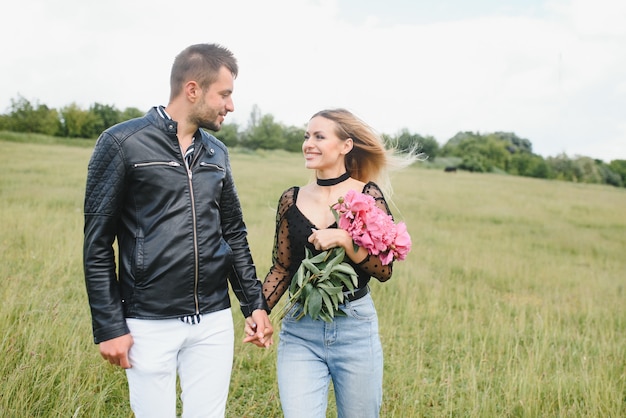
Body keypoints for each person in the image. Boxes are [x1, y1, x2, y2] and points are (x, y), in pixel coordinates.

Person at [83, 43, 273, 418]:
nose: (230, 106)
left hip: (214, 321)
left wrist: (254, 304)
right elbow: (98, 243)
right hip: (148, 321)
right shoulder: (122, 143)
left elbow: (232, 231)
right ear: (192, 90)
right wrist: (108, 326)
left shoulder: (217, 153)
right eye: (225, 94)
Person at [245, 108, 417, 417]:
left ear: (345, 146)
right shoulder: (291, 198)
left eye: (319, 136)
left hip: (354, 328)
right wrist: (259, 311)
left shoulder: (367, 195)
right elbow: (282, 268)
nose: (308, 143)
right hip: (300, 329)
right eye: (306, 136)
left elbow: (384, 270)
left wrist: (343, 240)